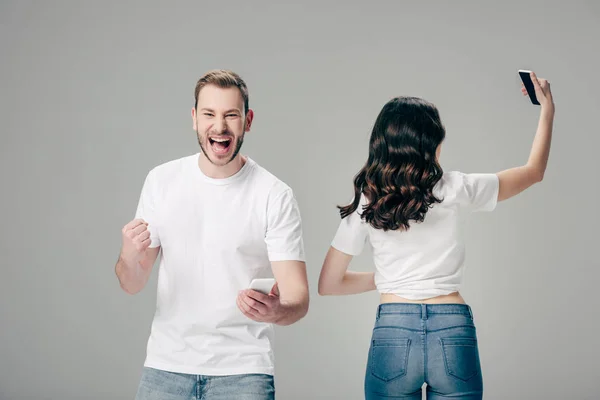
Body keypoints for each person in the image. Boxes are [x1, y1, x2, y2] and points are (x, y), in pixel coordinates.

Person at [318, 72, 554, 399]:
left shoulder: (368, 200)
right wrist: (547, 109)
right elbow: (533, 172)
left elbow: (328, 284)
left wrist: (388, 278)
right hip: (453, 329)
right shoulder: (456, 188)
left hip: (393, 331)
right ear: (434, 145)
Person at [115, 69, 310, 400]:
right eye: (209, 114)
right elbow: (132, 283)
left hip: (244, 372)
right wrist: (128, 254)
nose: (219, 126)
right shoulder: (161, 181)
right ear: (194, 118)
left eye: (230, 115)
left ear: (247, 121)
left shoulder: (273, 194)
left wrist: (275, 310)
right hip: (166, 367)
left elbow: (298, 299)